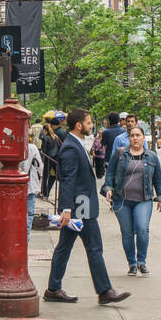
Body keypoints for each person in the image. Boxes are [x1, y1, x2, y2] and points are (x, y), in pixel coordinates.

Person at [43, 107, 130, 306]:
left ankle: (53, 289)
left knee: (65, 247)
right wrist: (66, 209)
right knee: (94, 247)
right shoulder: (71, 148)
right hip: (80, 206)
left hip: (78, 206)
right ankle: (105, 291)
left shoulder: (77, 143)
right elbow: (67, 180)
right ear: (79, 125)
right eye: (89, 123)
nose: (92, 126)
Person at [103, 122, 161, 276]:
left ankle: (142, 262)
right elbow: (110, 173)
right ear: (129, 138)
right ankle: (132, 263)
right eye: (132, 136)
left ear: (144, 138)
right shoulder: (119, 154)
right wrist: (108, 189)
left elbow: (157, 179)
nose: (135, 138)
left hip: (143, 200)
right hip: (122, 200)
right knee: (127, 233)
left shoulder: (151, 156)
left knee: (142, 229)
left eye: (138, 135)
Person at [20, 130, 44, 237]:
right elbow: (40, 166)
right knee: (29, 214)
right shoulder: (33, 148)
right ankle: (26, 237)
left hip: (15, 187)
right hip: (30, 185)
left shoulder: (12, 147)